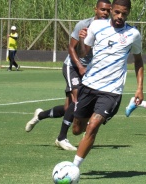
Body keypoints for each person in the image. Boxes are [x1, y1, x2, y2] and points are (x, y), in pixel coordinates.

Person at [25, 0, 112, 151]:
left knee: (68, 108)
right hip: (72, 65)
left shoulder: (110, 28)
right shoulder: (83, 25)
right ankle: (61, 138)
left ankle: (40, 115)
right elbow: (71, 48)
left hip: (88, 70)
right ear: (95, 9)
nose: (105, 13)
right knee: (77, 100)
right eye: (102, 9)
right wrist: (80, 66)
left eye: (108, 10)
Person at [71, 0, 144, 168]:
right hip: (89, 85)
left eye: (124, 14)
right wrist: (82, 39)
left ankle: (73, 167)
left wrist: (139, 88)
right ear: (111, 10)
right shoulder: (97, 26)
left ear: (128, 13)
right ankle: (87, 118)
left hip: (112, 91)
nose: (120, 16)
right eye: (117, 12)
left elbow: (138, 61)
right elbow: (83, 53)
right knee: (77, 129)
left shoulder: (133, 34)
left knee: (93, 125)